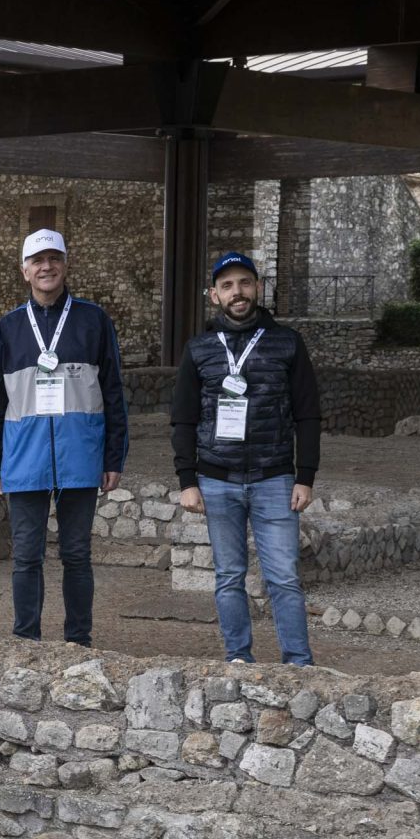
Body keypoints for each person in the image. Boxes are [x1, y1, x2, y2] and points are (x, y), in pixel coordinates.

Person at [169, 251, 322, 666]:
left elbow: (307, 413)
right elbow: (182, 419)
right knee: (229, 577)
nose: (237, 292)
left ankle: (298, 664)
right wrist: (188, 480)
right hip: (217, 480)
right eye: (227, 285)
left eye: (244, 283)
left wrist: (304, 475)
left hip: (275, 479)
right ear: (214, 295)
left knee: (285, 579)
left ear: (257, 287)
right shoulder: (199, 349)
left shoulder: (287, 342)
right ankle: (238, 658)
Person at [0, 228, 127, 646]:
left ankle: (78, 641)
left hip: (81, 457)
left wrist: (113, 457)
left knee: (77, 555)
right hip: (24, 460)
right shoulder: (7, 328)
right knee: (26, 557)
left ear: (65, 263)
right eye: (37, 261)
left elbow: (114, 393)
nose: (47, 267)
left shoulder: (93, 320)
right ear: (24, 270)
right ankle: (26, 640)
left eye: (54, 258)